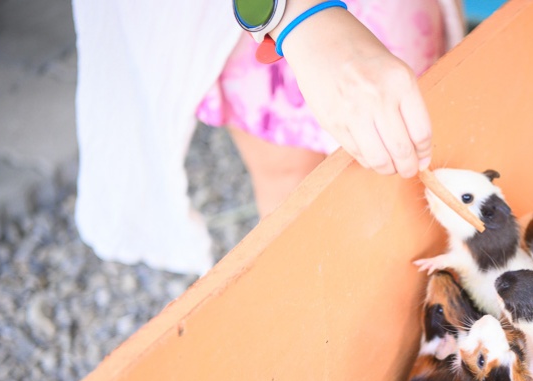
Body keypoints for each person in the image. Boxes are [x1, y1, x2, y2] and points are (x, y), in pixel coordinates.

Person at [72, 0, 463, 275]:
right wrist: (299, 13)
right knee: (286, 175)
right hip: (241, 14)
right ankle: (303, 308)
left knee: (397, 137)